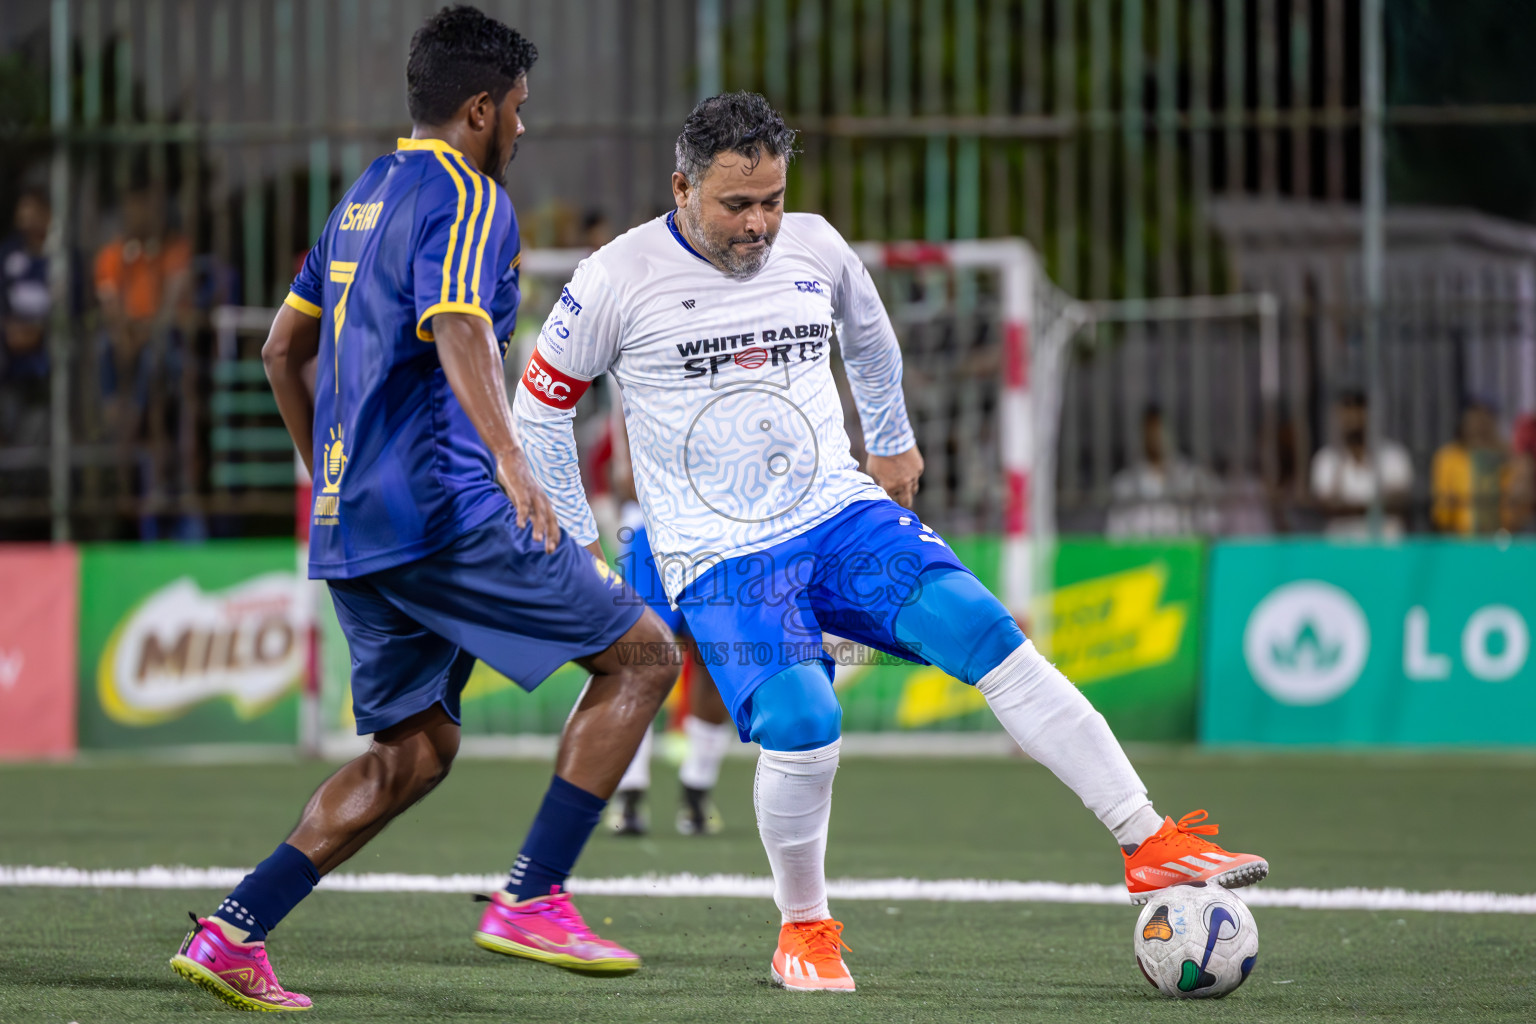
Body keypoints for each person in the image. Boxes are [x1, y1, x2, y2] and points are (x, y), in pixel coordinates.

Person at [513, 91, 1268, 994]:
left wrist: (893, 438)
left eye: (771, 201)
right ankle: (805, 930)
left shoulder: (818, 245)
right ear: (681, 188)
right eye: (735, 205)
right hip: (718, 554)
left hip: (840, 515)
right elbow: (539, 408)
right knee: (803, 721)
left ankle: (1146, 840)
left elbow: (870, 342)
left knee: (987, 631)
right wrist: (578, 542)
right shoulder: (614, 276)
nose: (758, 225)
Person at [168, 8, 677, 1012]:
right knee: (646, 654)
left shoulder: (363, 196)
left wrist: (331, 473)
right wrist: (511, 461)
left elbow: (282, 350)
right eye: (519, 112)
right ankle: (533, 896)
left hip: (353, 528)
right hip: (445, 513)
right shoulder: (470, 195)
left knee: (416, 752)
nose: (523, 131)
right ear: (479, 109)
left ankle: (236, 930)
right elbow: (456, 324)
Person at [606, 415, 738, 837]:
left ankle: (697, 791)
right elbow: (625, 477)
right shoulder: (638, 360)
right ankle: (628, 796)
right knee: (638, 664)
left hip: (719, 533)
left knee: (713, 662)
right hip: (650, 531)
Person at [1105, 403, 1221, 537]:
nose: (1155, 436)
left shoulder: (1194, 477)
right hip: (1142, 557)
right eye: (1150, 430)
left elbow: (1212, 524)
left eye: (1160, 429)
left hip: (1185, 555)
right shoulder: (1125, 484)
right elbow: (1115, 535)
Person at [1309, 389, 1414, 537]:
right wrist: (1375, 506)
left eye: (1358, 412)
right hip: (1342, 551)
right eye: (1347, 412)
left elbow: (1400, 503)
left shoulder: (1393, 456)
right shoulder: (1326, 460)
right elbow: (1326, 507)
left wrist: (1347, 506)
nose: (1353, 419)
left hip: (1386, 549)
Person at [0, 188, 56, 454]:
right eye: (23, 213)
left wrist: (40, 330)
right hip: (9, 346)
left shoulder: (61, 257)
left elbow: (68, 306)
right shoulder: (8, 254)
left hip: (48, 347)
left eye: (34, 212)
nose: (27, 220)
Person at [1430, 399, 1517, 535]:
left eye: (1482, 422)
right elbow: (1441, 513)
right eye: (1473, 421)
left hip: (1498, 537)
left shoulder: (1504, 458)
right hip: (1459, 539)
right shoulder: (1448, 457)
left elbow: (1513, 508)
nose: (1477, 426)